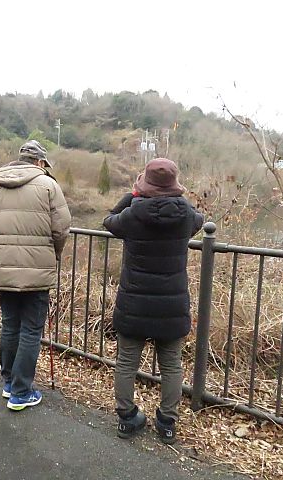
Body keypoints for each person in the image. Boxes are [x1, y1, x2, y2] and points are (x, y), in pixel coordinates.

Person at [103, 158, 204, 444]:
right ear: (174, 184)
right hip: (172, 305)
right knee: (171, 365)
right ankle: (167, 423)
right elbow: (198, 218)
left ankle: (127, 418)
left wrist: (133, 194)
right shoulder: (186, 215)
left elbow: (109, 220)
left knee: (126, 362)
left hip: (134, 303)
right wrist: (176, 196)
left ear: (144, 183)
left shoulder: (133, 214)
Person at [0, 140, 71, 411]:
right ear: (40, 162)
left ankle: (9, 382)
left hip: (4, 267)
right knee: (31, 329)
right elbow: (61, 229)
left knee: (10, 325)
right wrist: (52, 254)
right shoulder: (49, 186)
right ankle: (21, 391)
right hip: (37, 269)